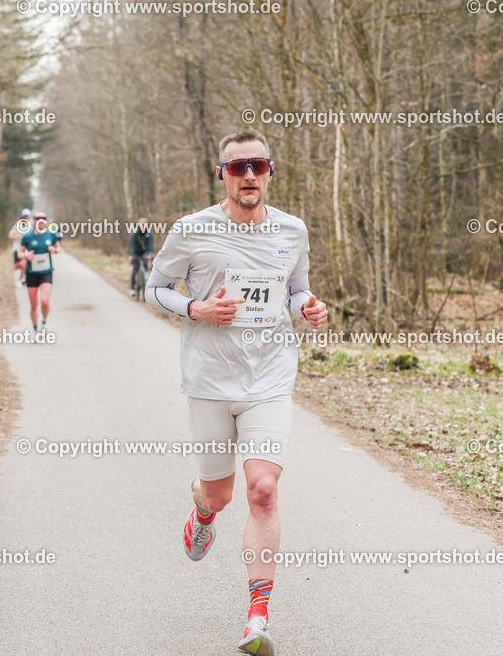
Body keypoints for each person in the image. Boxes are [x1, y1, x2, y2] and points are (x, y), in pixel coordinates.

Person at [145, 131, 327, 656]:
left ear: (271, 172)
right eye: (238, 167)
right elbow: (156, 288)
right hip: (208, 379)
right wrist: (195, 309)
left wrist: (308, 308)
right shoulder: (192, 229)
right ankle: (202, 515)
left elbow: (297, 290)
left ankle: (257, 617)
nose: (249, 175)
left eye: (259, 166)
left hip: (270, 376)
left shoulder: (292, 230)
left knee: (263, 489)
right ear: (220, 173)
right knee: (220, 495)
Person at [20, 211, 61, 331]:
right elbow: (20, 253)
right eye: (37, 218)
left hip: (46, 272)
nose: (40, 220)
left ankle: (44, 322)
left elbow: (58, 247)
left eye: (43, 218)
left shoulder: (50, 235)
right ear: (33, 221)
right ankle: (35, 328)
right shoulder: (27, 237)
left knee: (44, 301)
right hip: (31, 273)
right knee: (33, 305)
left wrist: (55, 250)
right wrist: (26, 255)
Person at [128, 217, 154, 297]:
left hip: (144, 253)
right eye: (141, 225)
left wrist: (150, 254)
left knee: (145, 268)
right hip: (136, 253)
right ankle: (133, 288)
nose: (143, 226)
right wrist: (131, 254)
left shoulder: (149, 234)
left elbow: (150, 245)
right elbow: (132, 245)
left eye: (144, 225)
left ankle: (145, 283)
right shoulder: (135, 233)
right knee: (135, 270)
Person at [8, 208, 32, 285]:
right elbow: (10, 235)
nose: (25, 218)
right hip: (16, 248)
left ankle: (22, 279)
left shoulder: (31, 226)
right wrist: (15, 237)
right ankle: (24, 277)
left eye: (27, 216)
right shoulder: (16, 225)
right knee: (17, 266)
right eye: (24, 216)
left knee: (23, 265)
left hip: (25, 249)